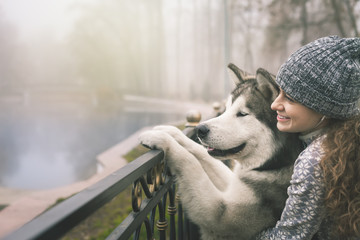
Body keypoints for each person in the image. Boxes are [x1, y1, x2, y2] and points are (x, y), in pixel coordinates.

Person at [256, 36, 360, 239]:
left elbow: (289, 236)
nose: (275, 104)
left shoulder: (314, 161)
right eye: (279, 92)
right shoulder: (345, 141)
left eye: (291, 99)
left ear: (325, 108)